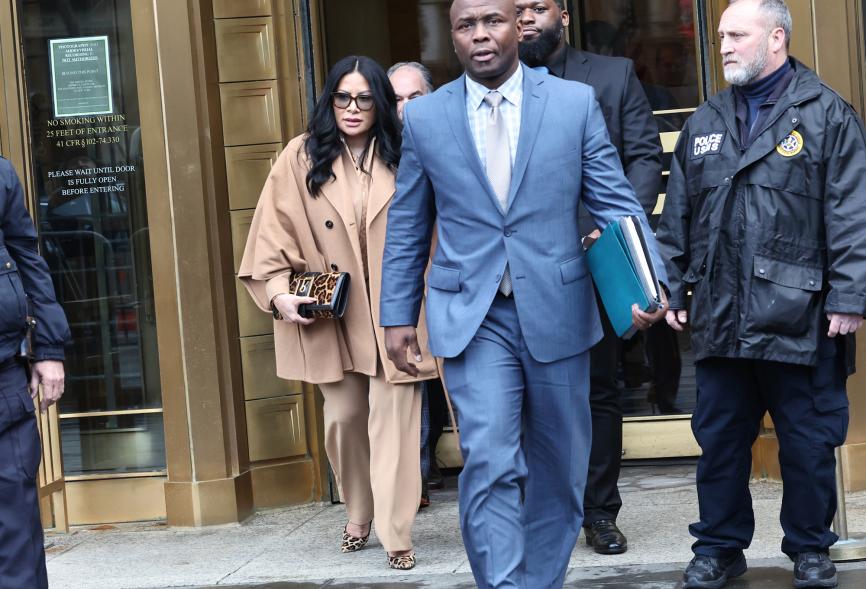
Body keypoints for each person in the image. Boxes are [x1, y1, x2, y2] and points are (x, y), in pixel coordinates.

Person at [379, 1, 668, 586]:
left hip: (558, 308)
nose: (480, 35)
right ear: (453, 38)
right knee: (489, 459)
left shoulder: (571, 104)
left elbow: (615, 198)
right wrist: (396, 315)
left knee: (560, 470)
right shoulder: (428, 118)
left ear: (518, 27)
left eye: (492, 21)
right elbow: (409, 221)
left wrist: (648, 279)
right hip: (472, 313)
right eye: (466, 25)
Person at [656, 1, 866, 587]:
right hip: (721, 312)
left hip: (803, 315)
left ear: (776, 38)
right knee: (720, 443)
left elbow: (852, 214)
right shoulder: (705, 121)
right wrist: (673, 284)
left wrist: (850, 297)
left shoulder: (825, 114)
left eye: (735, 34)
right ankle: (719, 548)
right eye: (720, 34)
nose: (722, 44)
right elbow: (678, 218)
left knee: (806, 442)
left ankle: (809, 547)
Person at [238, 55, 438, 571]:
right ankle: (358, 510)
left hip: (399, 312)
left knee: (396, 421)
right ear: (329, 101)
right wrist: (280, 293)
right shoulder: (300, 158)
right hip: (336, 313)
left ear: (381, 104)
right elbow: (271, 234)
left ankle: (397, 533)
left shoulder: (406, 152)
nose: (353, 108)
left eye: (365, 98)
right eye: (342, 98)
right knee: (346, 419)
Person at [517, 0, 663, 556]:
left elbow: (644, 158)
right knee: (531, 392)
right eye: (518, 8)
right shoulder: (495, 87)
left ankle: (600, 513)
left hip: (596, 259)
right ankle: (544, 508)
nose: (527, 17)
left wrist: (616, 232)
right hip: (527, 268)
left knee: (600, 389)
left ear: (564, 14)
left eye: (538, 6)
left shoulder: (612, 75)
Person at [0, 157, 70, 588]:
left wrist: (47, 348)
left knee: (14, 518)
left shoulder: (1, 174)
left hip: (5, 368)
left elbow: (27, 257)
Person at [386, 61, 445, 510]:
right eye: (396, 99)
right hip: (403, 285)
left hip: (449, 279)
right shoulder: (377, 150)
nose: (405, 108)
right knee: (410, 378)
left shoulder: (446, 137)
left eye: (414, 97)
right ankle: (417, 478)